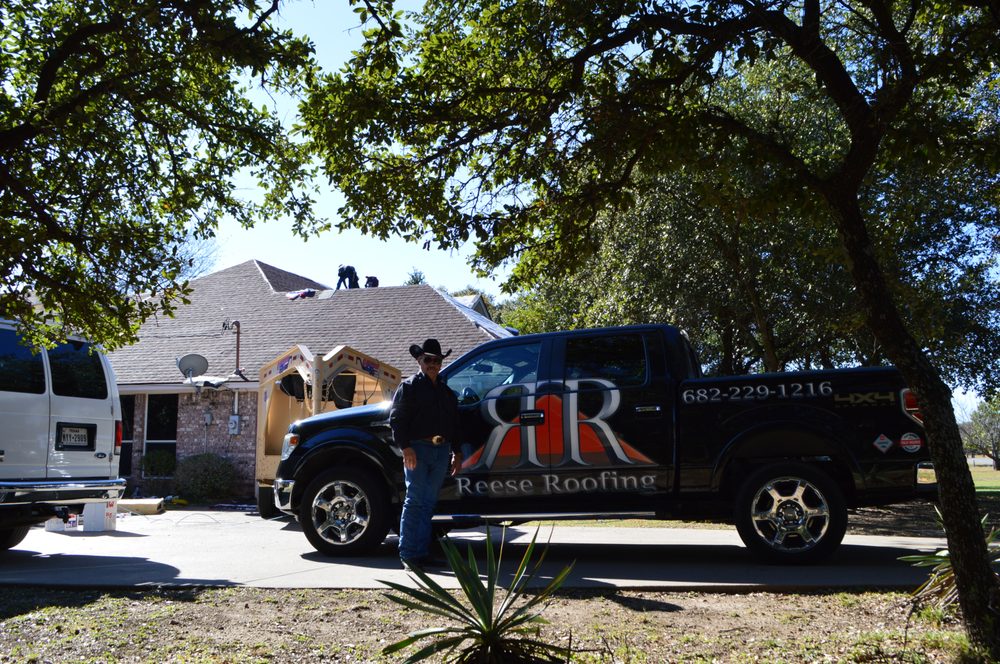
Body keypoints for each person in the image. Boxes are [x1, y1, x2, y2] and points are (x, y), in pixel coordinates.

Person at [390, 338, 463, 569]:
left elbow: (454, 423)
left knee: (428, 503)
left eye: (436, 360)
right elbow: (397, 419)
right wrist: (406, 448)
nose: (432, 363)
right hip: (418, 450)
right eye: (427, 359)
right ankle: (409, 554)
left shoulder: (446, 392)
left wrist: (457, 452)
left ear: (441, 363)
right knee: (414, 501)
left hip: (442, 451)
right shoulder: (409, 387)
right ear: (420, 361)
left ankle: (421, 553)